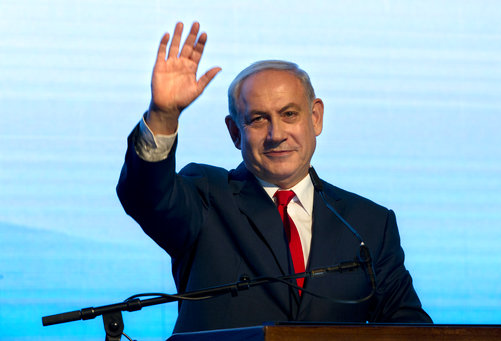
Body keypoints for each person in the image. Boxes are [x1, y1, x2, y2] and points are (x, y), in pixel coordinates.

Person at [117, 22, 432, 334]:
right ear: (234, 132)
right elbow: (146, 197)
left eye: (289, 114)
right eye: (258, 119)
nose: (276, 134)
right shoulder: (207, 195)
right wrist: (163, 115)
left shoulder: (369, 224)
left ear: (316, 117)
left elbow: (410, 329)